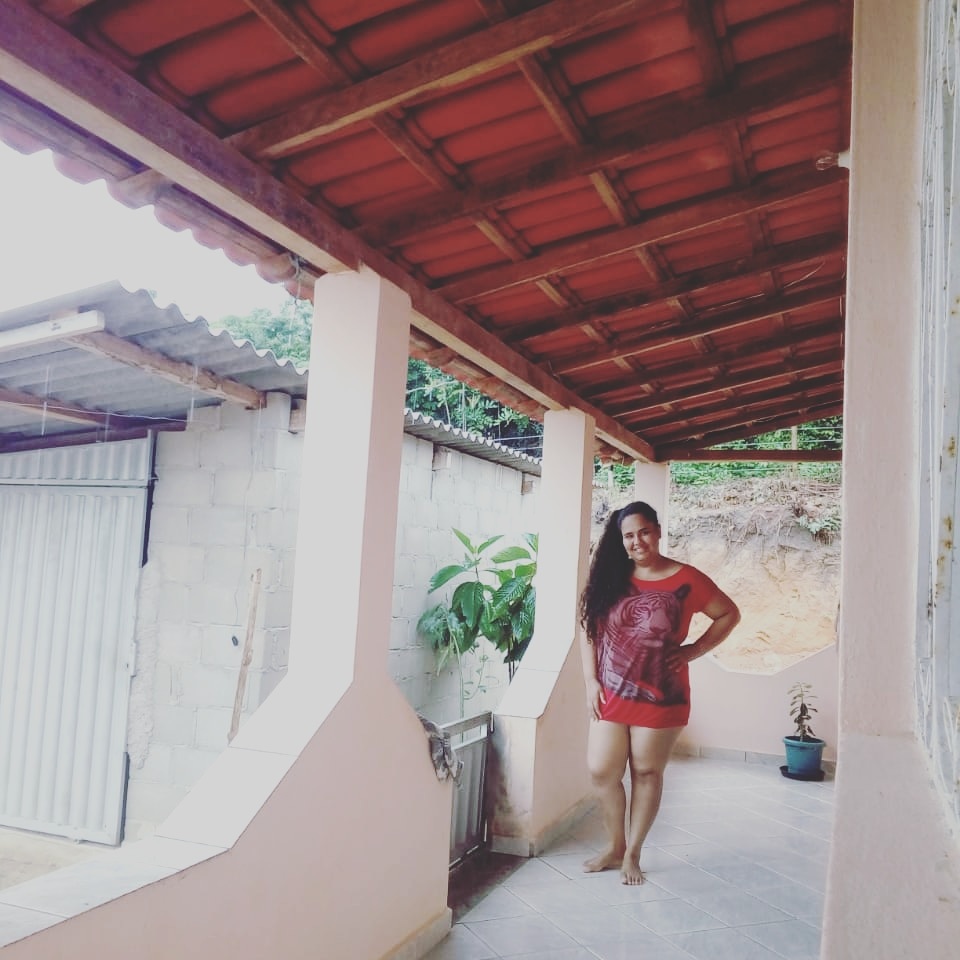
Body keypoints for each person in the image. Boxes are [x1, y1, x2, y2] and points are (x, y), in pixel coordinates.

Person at [578, 500, 740, 884]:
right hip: (611, 692)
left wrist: (693, 650)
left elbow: (728, 613)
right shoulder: (611, 575)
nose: (637, 542)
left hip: (662, 696)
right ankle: (614, 846)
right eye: (629, 536)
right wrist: (590, 680)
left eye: (644, 532)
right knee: (601, 770)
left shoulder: (687, 579)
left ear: (658, 531)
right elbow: (588, 627)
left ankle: (632, 853)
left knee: (646, 772)